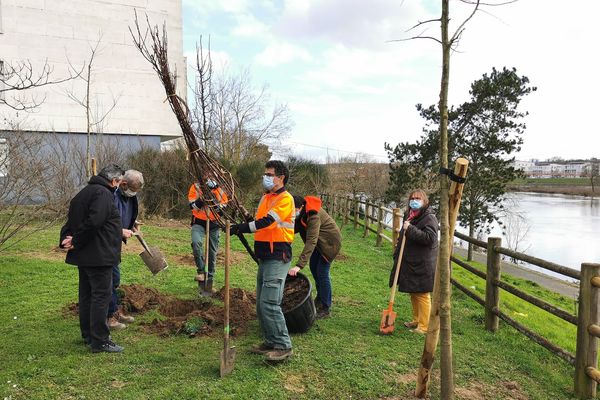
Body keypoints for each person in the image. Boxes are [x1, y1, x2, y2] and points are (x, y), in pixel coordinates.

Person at [230, 160, 295, 362]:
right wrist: (243, 221)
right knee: (260, 303)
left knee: (269, 302)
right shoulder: (266, 197)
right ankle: (270, 340)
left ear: (280, 177)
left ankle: (284, 345)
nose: (265, 177)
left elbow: (267, 222)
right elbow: (257, 220)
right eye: (265, 173)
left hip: (278, 256)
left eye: (269, 174)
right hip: (265, 256)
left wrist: (241, 228)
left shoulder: (285, 199)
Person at [59, 164, 125, 353]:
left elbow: (72, 220)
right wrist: (77, 239)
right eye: (119, 182)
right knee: (100, 296)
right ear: (114, 181)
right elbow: (95, 221)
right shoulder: (103, 194)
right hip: (100, 255)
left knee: (87, 295)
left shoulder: (83, 193)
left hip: (86, 255)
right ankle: (99, 340)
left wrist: (68, 239)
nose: (118, 186)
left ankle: (88, 334)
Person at [389, 189, 438, 335]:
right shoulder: (410, 215)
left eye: (418, 198)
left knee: (422, 293)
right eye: (412, 198)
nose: (414, 201)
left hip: (423, 262)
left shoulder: (429, 218)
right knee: (414, 292)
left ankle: (424, 326)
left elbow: (430, 238)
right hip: (411, 261)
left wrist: (410, 229)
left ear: (424, 201)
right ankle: (416, 320)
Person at [289, 195, 341, 319]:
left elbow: (311, 240)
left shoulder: (314, 216)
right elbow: (293, 228)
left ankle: (326, 306)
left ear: (301, 206)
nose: (293, 212)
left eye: (294, 209)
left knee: (322, 273)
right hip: (319, 243)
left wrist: (299, 265)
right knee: (314, 268)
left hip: (329, 244)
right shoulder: (303, 213)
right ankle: (320, 297)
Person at [107, 169, 144, 330]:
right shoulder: (111, 196)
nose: (132, 194)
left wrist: (132, 222)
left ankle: (114, 311)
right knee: (110, 279)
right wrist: (120, 230)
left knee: (114, 279)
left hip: (115, 244)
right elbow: (107, 219)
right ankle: (110, 316)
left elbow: (125, 213)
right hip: (105, 242)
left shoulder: (129, 196)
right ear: (123, 184)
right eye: (132, 190)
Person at [188, 173, 228, 294]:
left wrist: (212, 197)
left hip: (214, 224)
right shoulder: (195, 187)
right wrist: (202, 199)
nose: (208, 179)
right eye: (206, 176)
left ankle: (209, 282)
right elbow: (193, 206)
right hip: (198, 222)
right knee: (196, 243)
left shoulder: (220, 190)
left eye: (211, 177)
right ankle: (201, 272)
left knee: (212, 253)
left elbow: (222, 210)